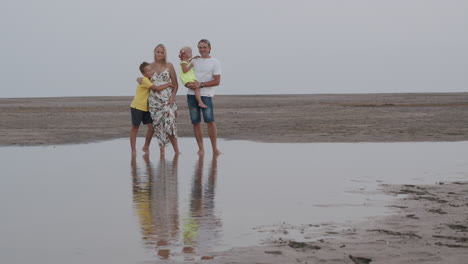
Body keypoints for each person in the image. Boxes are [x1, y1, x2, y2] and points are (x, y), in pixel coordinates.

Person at [185, 39, 222, 155]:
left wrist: (200, 85)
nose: (202, 50)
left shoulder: (215, 62)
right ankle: (201, 149)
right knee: (196, 122)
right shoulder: (194, 61)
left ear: (210, 48)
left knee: (210, 121)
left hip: (206, 95)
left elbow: (217, 81)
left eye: (204, 47)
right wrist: (188, 84)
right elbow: (185, 74)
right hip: (191, 95)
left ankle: (215, 149)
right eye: (200, 47)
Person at [147, 43, 180, 156]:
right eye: (158, 52)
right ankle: (162, 152)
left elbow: (175, 85)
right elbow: (145, 82)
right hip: (154, 101)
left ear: (164, 53)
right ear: (154, 52)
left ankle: (177, 151)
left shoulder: (169, 66)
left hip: (168, 100)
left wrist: (172, 98)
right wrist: (139, 79)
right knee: (158, 126)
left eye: (162, 52)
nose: (160, 54)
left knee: (170, 124)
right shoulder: (149, 66)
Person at [130, 62, 170, 155]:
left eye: (151, 69)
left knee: (151, 128)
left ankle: (146, 146)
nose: (151, 71)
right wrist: (169, 84)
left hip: (147, 108)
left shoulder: (148, 79)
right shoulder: (144, 80)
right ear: (143, 73)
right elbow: (157, 88)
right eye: (148, 71)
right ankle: (133, 150)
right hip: (137, 106)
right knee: (135, 128)